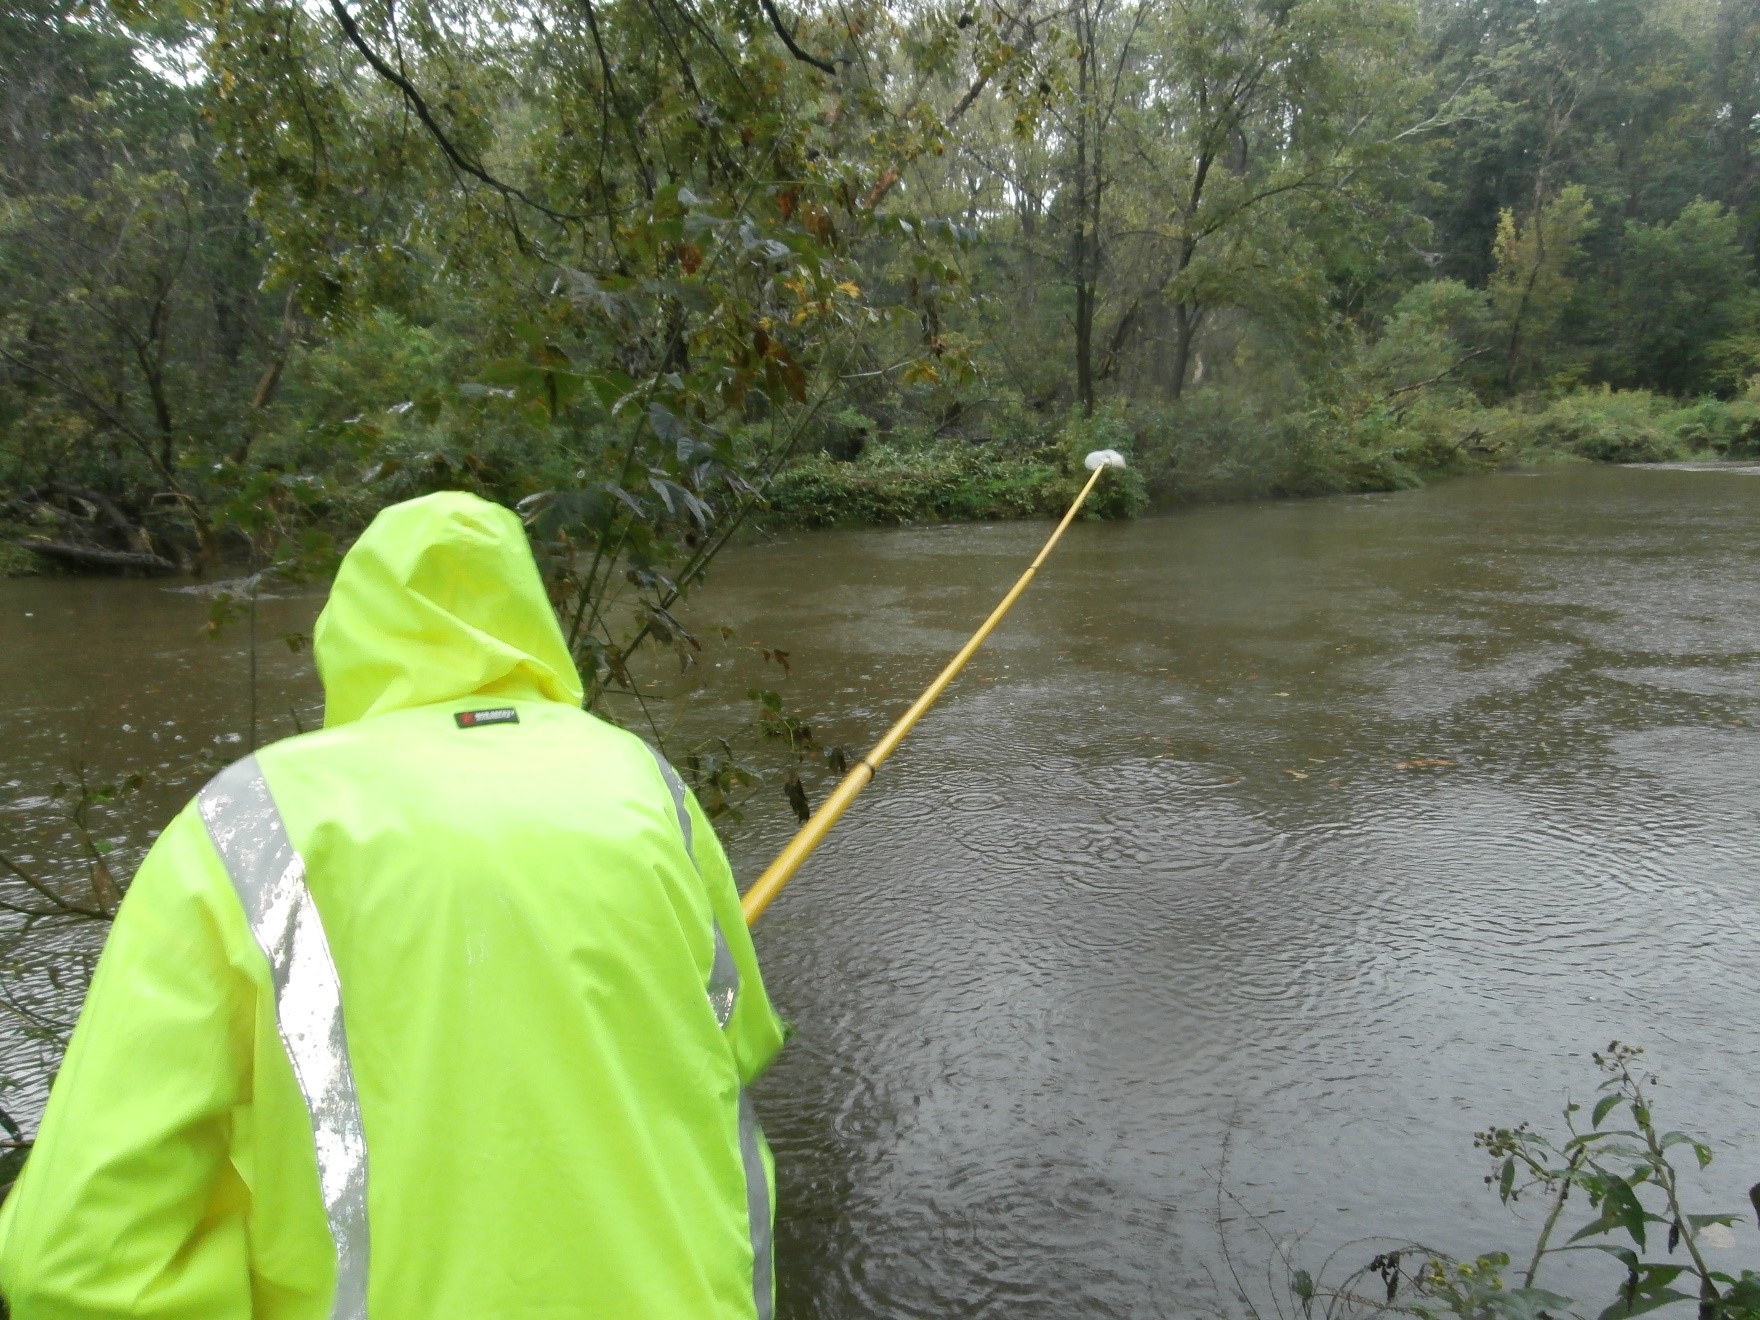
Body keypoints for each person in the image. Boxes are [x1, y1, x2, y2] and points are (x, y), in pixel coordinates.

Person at [0, 491, 787, 1318]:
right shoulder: (641, 779)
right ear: (528, 617)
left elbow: (78, 1256)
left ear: (356, 627)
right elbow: (738, 1037)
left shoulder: (249, 820)